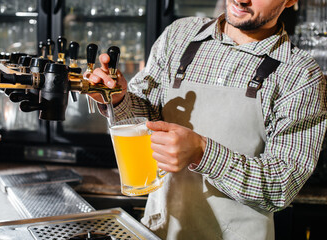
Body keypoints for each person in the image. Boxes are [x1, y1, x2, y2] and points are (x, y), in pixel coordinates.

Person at [85, 0, 327, 239]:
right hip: (161, 230)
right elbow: (146, 118)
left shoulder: (301, 75)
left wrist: (202, 153)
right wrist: (118, 100)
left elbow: (281, 186)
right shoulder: (179, 35)